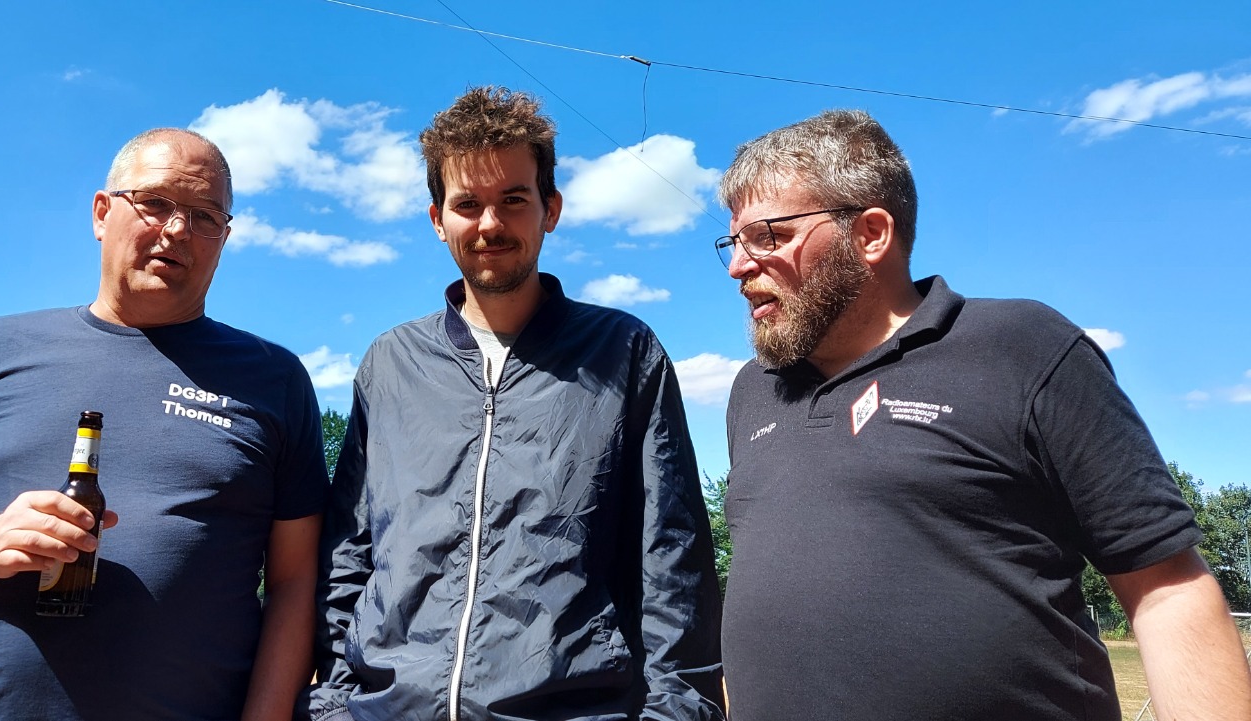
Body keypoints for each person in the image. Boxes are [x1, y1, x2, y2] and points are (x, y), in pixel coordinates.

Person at [716, 109, 1251, 721]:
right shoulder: (753, 391)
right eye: (732, 243)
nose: (738, 266)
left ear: (870, 234)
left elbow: (1167, 590)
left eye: (768, 237)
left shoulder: (1022, 347)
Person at [0, 128, 328, 720]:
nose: (179, 229)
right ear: (102, 213)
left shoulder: (273, 378)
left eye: (206, 215)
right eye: (155, 202)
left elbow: (295, 583)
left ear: (224, 238)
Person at [304, 87, 723, 721]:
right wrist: (335, 701)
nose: (490, 224)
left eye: (513, 200)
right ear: (437, 218)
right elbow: (350, 548)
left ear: (551, 209)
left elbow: (673, 554)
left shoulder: (624, 351)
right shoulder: (390, 363)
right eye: (467, 204)